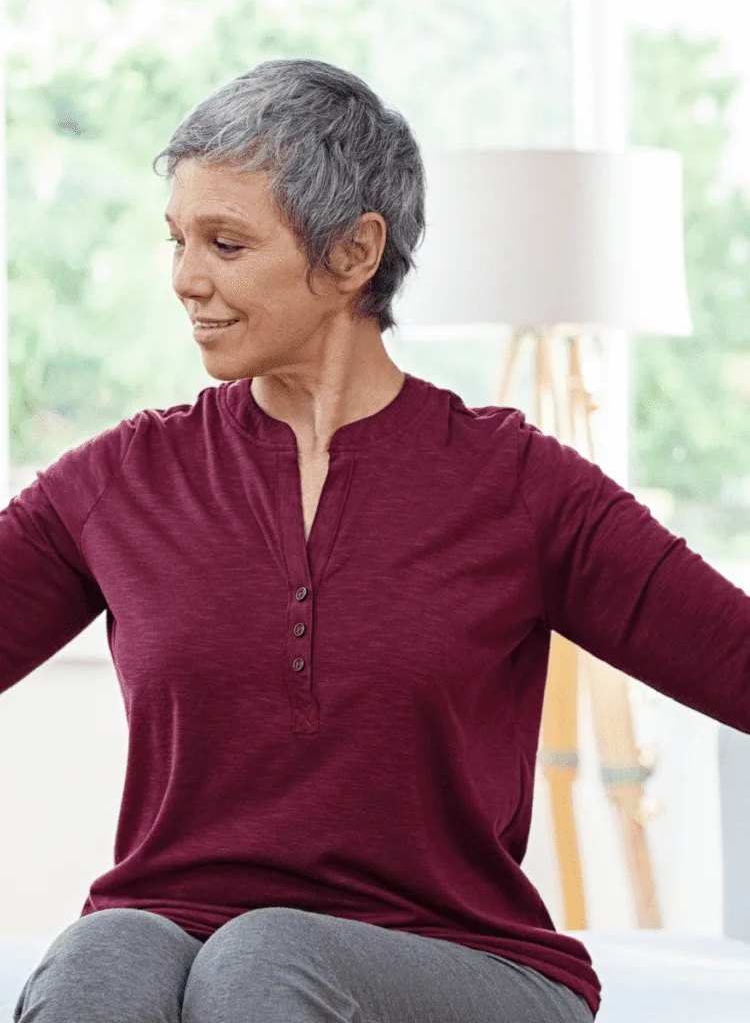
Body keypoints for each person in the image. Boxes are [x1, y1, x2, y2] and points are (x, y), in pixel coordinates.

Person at [8, 56, 750, 1023]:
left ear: (354, 253)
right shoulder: (123, 480)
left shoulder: (517, 485)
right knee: (105, 952)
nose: (186, 279)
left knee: (267, 957)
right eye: (178, 239)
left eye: (227, 244)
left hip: (463, 958)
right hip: (177, 927)